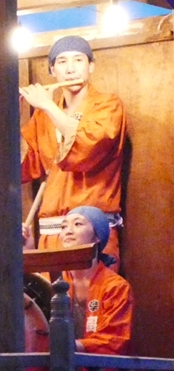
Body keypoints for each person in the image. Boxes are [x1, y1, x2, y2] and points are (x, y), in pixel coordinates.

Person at [19, 35, 127, 269]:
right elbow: (23, 167)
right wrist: (11, 112)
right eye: (61, 62)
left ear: (91, 66)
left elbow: (88, 146)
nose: (70, 69)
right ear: (52, 70)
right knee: (48, 303)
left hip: (92, 232)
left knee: (89, 302)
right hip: (51, 233)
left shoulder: (108, 105)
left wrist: (47, 105)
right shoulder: (42, 116)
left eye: (78, 60)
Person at [28, 205, 133, 371]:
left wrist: (70, 345)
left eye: (77, 224)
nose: (68, 230)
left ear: (97, 237)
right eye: (64, 225)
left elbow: (115, 341)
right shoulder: (50, 281)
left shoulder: (116, 287)